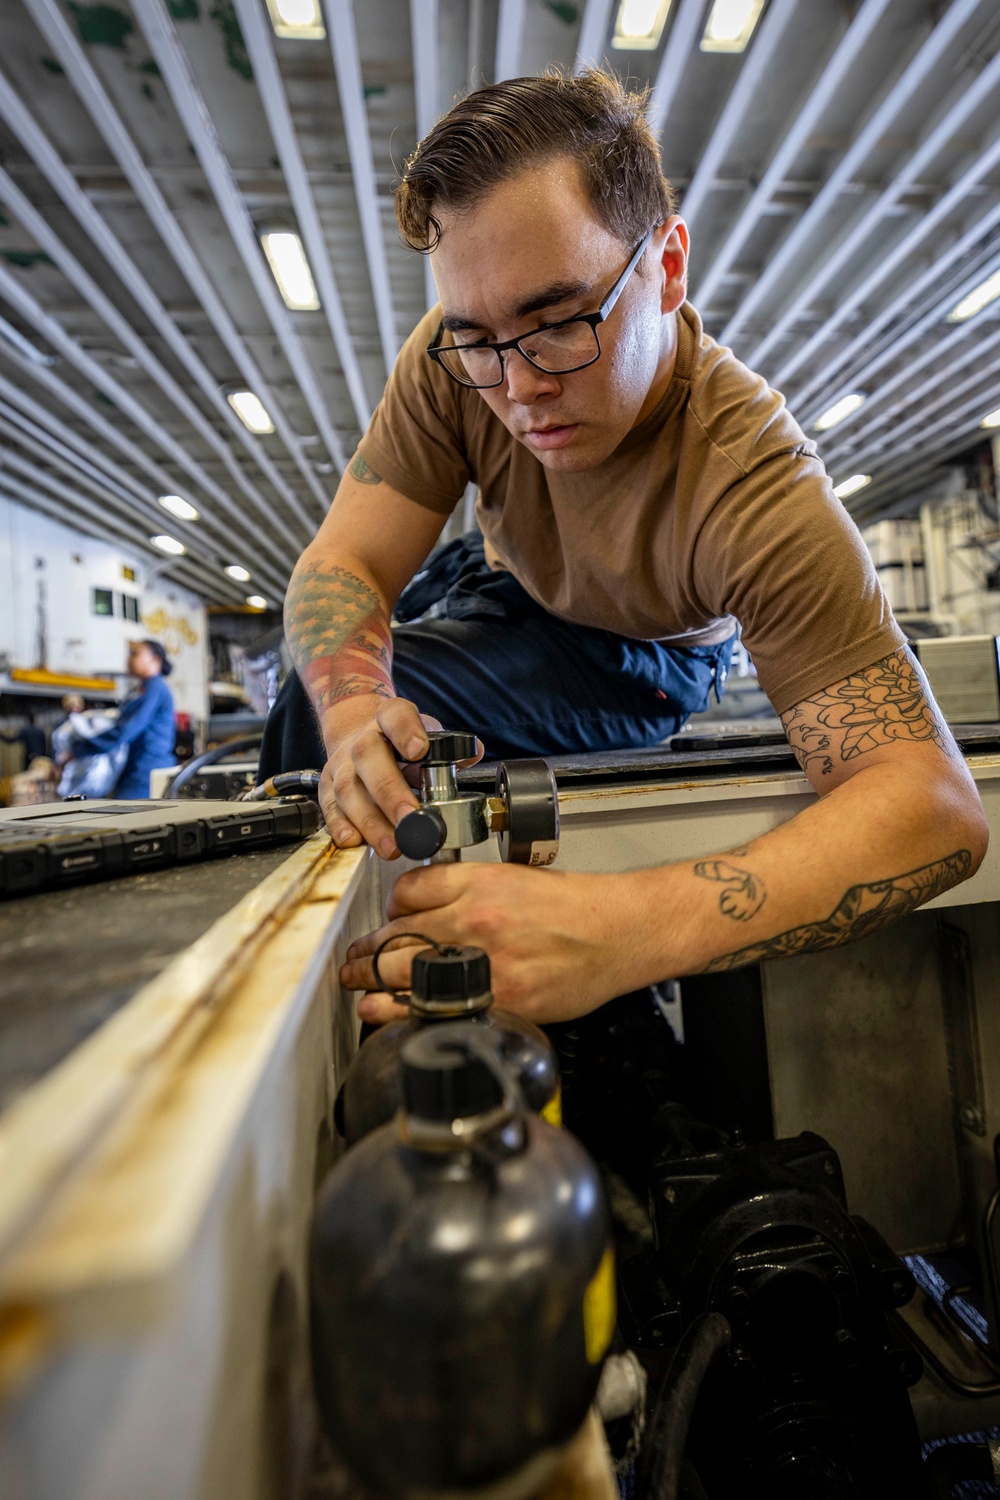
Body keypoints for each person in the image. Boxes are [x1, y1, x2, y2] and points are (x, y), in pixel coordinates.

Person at [260, 70, 987, 1026]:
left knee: (365, 713)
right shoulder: (457, 360)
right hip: (497, 585)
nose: (517, 389)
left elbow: (933, 806)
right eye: (479, 338)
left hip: (635, 657)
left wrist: (617, 929)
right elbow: (342, 565)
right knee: (330, 717)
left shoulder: (753, 484)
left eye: (559, 323)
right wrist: (354, 710)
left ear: (668, 266)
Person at [86, 639, 176, 799]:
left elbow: (126, 729)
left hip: (146, 772)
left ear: (155, 660)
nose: (129, 659)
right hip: (136, 769)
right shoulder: (143, 689)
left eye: (135, 654)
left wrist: (82, 749)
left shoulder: (154, 689)